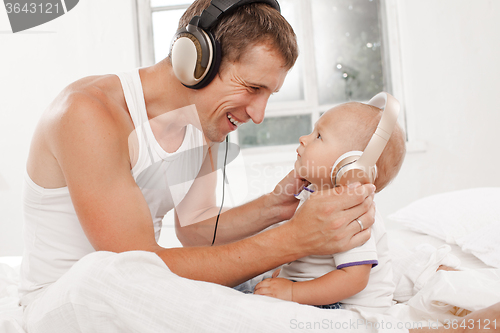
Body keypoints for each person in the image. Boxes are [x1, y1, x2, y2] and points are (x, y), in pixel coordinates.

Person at [18, 0, 500, 331]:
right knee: (101, 275)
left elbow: (197, 232)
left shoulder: (201, 125)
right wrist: (292, 240)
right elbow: (134, 264)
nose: (258, 114)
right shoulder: (90, 114)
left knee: (245, 281)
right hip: (68, 301)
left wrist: (276, 208)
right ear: (196, 60)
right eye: (252, 89)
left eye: (269, 95)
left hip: (134, 284)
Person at [254, 101, 405, 312]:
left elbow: (353, 280)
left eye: (318, 136)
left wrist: (292, 292)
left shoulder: (353, 212)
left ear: (352, 166)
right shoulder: (316, 195)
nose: (303, 139)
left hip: (344, 307)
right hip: (319, 295)